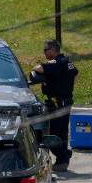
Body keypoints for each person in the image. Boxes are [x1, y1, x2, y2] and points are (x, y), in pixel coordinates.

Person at [31, 40, 78, 171]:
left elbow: (39, 68)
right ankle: (63, 157)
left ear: (52, 50)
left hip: (58, 105)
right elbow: (76, 73)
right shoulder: (67, 62)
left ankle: (63, 158)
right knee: (61, 132)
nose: (44, 52)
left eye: (45, 50)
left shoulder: (57, 63)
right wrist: (67, 88)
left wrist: (36, 67)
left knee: (54, 134)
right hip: (65, 102)